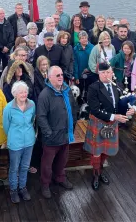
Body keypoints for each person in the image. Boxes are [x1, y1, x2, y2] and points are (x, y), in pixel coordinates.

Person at [84, 63, 135, 190]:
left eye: (109, 72)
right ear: (99, 74)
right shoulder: (93, 88)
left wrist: (130, 109)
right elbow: (95, 110)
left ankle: (100, 171)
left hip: (112, 123)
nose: (107, 75)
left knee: (106, 150)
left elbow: (121, 104)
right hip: (99, 122)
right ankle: (95, 175)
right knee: (96, 152)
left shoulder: (116, 86)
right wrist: (115, 117)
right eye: (103, 73)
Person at [37, 66, 76, 199]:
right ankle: (45, 184)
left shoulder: (67, 90)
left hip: (66, 134)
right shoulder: (45, 95)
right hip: (52, 137)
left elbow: (73, 107)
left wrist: (73, 126)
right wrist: (49, 133)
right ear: (49, 77)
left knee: (62, 160)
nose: (61, 77)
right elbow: (41, 117)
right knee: (47, 164)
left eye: (61, 75)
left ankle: (60, 178)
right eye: (57, 75)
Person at [3, 81, 36, 203]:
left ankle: (22, 187)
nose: (23, 94)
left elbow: (32, 120)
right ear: (15, 94)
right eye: (21, 92)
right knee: (14, 168)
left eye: (25, 91)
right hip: (15, 143)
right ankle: (13, 190)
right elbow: (6, 126)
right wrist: (13, 135)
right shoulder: (8, 108)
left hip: (29, 141)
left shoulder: (32, 104)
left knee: (25, 166)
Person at [0, 8, 15, 76]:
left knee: (6, 66)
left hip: (7, 49)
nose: (2, 15)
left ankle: (5, 80)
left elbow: (11, 37)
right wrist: (1, 47)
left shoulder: (8, 24)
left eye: (3, 13)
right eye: (0, 13)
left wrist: (8, 47)